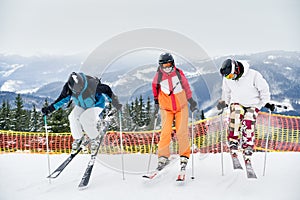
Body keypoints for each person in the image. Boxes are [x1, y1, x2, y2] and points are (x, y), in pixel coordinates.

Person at [42, 72, 122, 156]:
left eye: (79, 89)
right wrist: (49, 109)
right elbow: (60, 100)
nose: (77, 92)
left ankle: (95, 139)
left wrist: (116, 104)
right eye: (75, 91)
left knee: (85, 118)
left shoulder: (91, 85)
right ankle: (78, 138)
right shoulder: (68, 88)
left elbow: (107, 89)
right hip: (81, 105)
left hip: (96, 105)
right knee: (72, 117)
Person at [218, 58, 273, 163]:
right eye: (227, 76)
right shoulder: (228, 79)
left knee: (248, 121)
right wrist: (225, 102)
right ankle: (233, 141)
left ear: (236, 70)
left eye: (230, 75)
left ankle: (248, 145)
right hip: (237, 102)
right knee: (236, 115)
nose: (230, 78)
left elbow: (264, 89)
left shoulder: (254, 75)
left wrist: (266, 102)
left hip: (253, 104)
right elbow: (227, 92)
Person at [152, 52, 197, 171]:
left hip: (181, 107)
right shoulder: (159, 76)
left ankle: (184, 156)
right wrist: (156, 103)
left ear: (173, 63)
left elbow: (186, 87)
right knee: (165, 132)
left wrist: (191, 100)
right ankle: (163, 157)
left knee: (181, 132)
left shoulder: (178, 73)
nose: (167, 68)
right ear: (160, 66)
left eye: (169, 65)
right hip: (166, 108)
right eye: (164, 66)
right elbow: (155, 89)